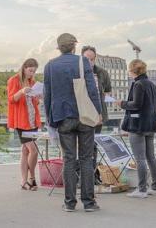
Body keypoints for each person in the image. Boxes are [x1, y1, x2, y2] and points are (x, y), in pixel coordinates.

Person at [44, 33, 101, 212]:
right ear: (74, 46)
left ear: (59, 48)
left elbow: (47, 95)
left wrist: (50, 119)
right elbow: (92, 89)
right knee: (86, 159)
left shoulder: (50, 66)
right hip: (84, 116)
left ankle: (69, 202)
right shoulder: (82, 62)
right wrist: (98, 112)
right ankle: (89, 202)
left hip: (63, 116)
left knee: (68, 159)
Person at [117, 59, 156, 198]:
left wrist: (122, 103)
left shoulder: (138, 84)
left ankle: (141, 189)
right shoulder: (152, 85)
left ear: (133, 71)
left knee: (140, 158)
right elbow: (155, 105)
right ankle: (155, 187)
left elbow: (136, 104)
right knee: (151, 157)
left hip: (138, 125)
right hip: (150, 124)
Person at [6, 58, 41, 191]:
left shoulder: (33, 82)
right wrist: (21, 91)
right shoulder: (14, 80)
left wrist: (38, 98)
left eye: (34, 71)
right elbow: (11, 99)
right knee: (34, 151)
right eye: (30, 70)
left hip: (32, 120)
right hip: (21, 121)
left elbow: (34, 102)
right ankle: (32, 178)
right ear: (24, 68)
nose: (32, 73)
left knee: (25, 151)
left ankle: (24, 181)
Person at [81, 45, 112, 184]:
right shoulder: (77, 71)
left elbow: (108, 91)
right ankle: (81, 176)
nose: (90, 62)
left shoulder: (102, 73)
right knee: (82, 146)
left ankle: (92, 175)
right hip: (82, 115)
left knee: (94, 145)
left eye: (92, 59)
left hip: (98, 114)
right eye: (87, 59)